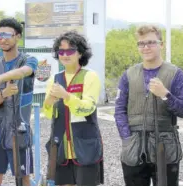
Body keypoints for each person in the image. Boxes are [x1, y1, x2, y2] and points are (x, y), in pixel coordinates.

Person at [114, 25, 183, 186]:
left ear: (161, 44)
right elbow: (119, 110)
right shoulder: (128, 75)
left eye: (151, 42)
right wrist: (127, 138)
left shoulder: (175, 74)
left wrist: (165, 94)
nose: (146, 47)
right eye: (141, 43)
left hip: (165, 148)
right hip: (134, 148)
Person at [41, 31, 104, 186]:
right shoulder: (55, 79)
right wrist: (49, 101)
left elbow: (88, 108)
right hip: (60, 146)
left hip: (84, 144)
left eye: (70, 50)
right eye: (61, 51)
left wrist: (67, 96)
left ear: (80, 53)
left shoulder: (90, 76)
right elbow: (49, 113)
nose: (65, 55)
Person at [0, 18, 38, 186]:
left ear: (18, 36)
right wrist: (4, 93)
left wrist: (0, 78)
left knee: (23, 178)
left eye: (7, 35)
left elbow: (22, 72)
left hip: (19, 129)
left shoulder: (29, 60)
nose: (3, 39)